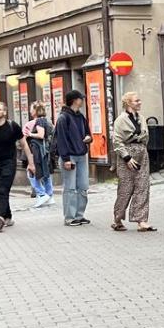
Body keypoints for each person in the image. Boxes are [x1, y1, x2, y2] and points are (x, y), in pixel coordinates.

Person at [0, 101, 33, 232]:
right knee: (0, 191)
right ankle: (8, 216)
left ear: (4, 112)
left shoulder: (12, 126)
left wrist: (31, 163)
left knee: (4, 190)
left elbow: (24, 144)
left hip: (8, 162)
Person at [111, 91, 156, 232]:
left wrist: (142, 148)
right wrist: (127, 157)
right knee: (125, 188)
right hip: (127, 156)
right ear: (128, 103)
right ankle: (117, 218)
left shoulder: (141, 118)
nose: (139, 102)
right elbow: (117, 141)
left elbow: (145, 136)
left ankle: (141, 220)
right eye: (137, 101)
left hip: (142, 154)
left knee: (143, 186)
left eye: (139, 100)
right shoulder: (120, 120)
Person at [53, 90, 92, 226]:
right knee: (70, 187)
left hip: (81, 155)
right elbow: (61, 140)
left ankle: (79, 215)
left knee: (83, 187)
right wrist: (66, 159)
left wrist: (88, 138)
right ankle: (70, 217)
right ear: (75, 100)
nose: (82, 100)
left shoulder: (81, 117)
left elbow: (88, 133)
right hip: (70, 156)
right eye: (81, 98)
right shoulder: (63, 118)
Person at [24, 103, 54, 206]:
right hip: (44, 151)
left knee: (32, 172)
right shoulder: (47, 121)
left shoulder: (39, 121)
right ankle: (49, 195)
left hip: (38, 151)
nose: (30, 111)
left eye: (31, 109)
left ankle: (42, 194)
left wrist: (30, 134)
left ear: (36, 110)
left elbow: (41, 135)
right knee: (46, 174)